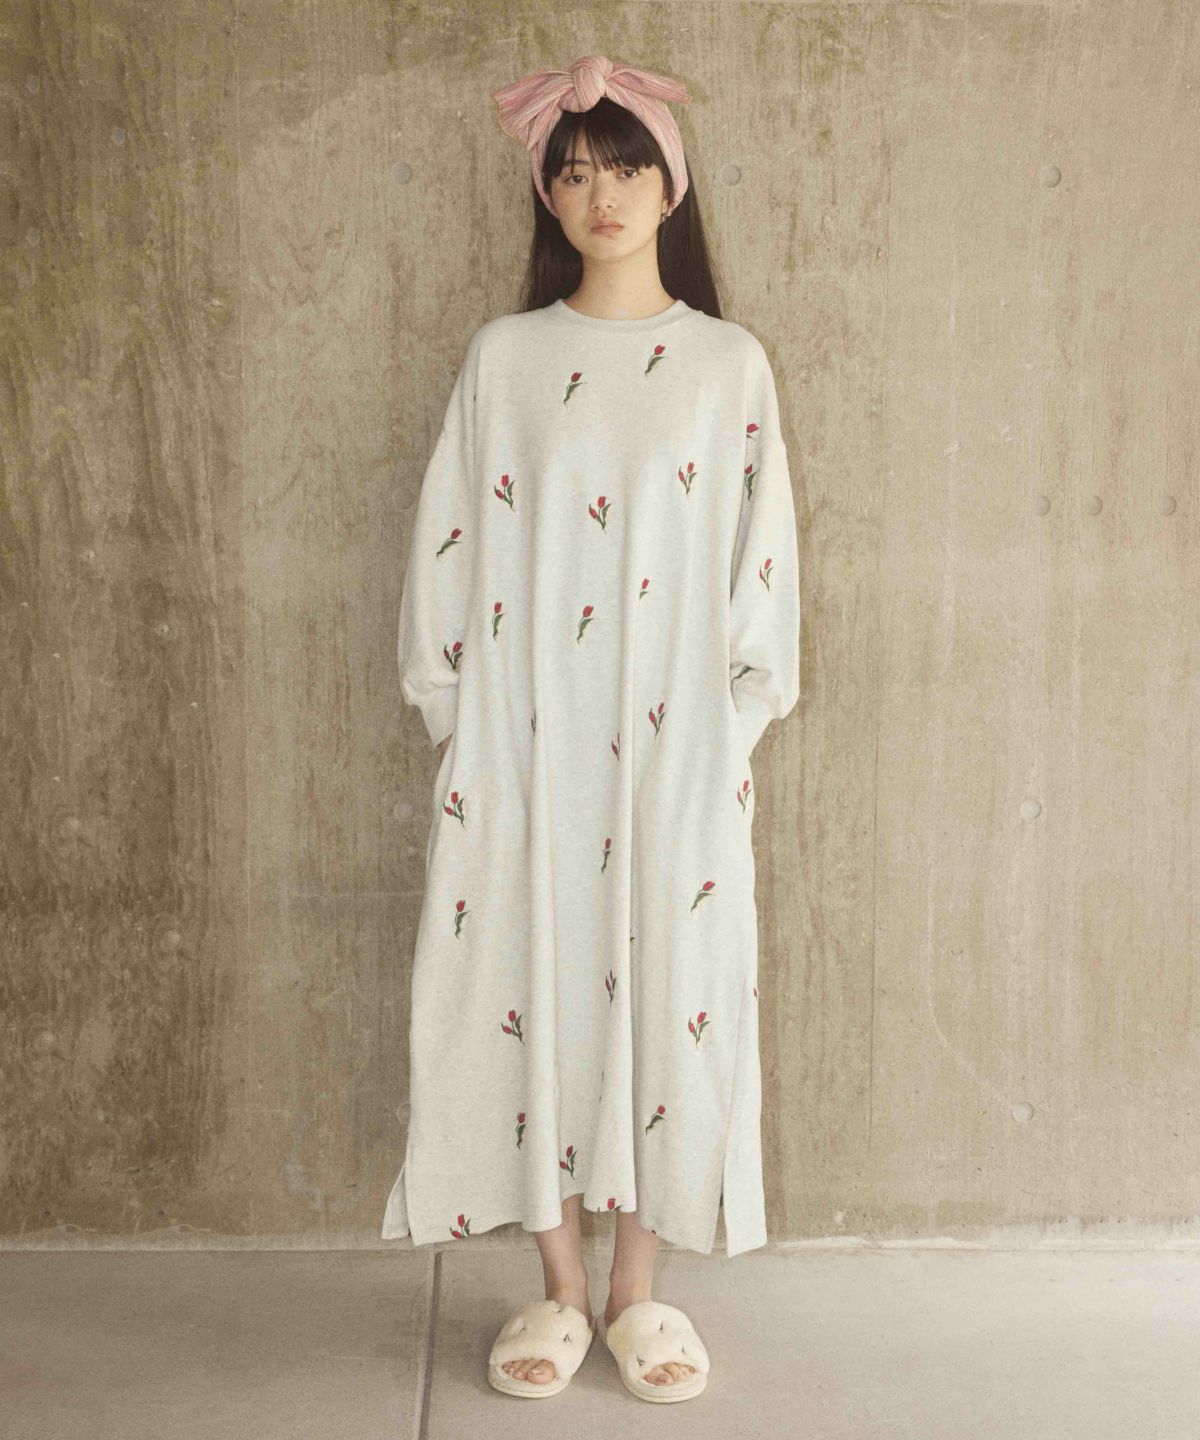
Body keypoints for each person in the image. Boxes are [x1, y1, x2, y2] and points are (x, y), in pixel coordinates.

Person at [381, 54, 801, 1402]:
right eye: (573, 172)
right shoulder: (505, 360)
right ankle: (559, 1289)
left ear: (671, 185)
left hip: (678, 747)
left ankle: (638, 1294)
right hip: (525, 740)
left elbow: (761, 563)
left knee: (671, 981)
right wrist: (459, 718)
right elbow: (449, 540)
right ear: (547, 195)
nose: (600, 195)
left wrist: (729, 730)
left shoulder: (728, 366)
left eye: (625, 167)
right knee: (528, 979)